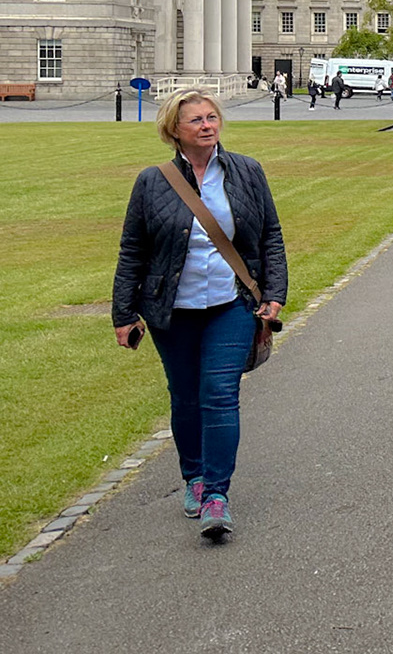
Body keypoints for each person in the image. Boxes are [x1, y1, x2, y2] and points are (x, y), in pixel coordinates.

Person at [112, 89, 286, 540]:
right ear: (175, 129)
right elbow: (133, 250)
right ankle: (194, 477)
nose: (207, 126)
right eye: (196, 120)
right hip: (173, 310)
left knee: (220, 394)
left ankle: (216, 495)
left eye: (212, 117)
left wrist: (274, 294)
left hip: (232, 304)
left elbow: (270, 235)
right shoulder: (152, 182)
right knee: (186, 397)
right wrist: (123, 313)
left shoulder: (247, 171)